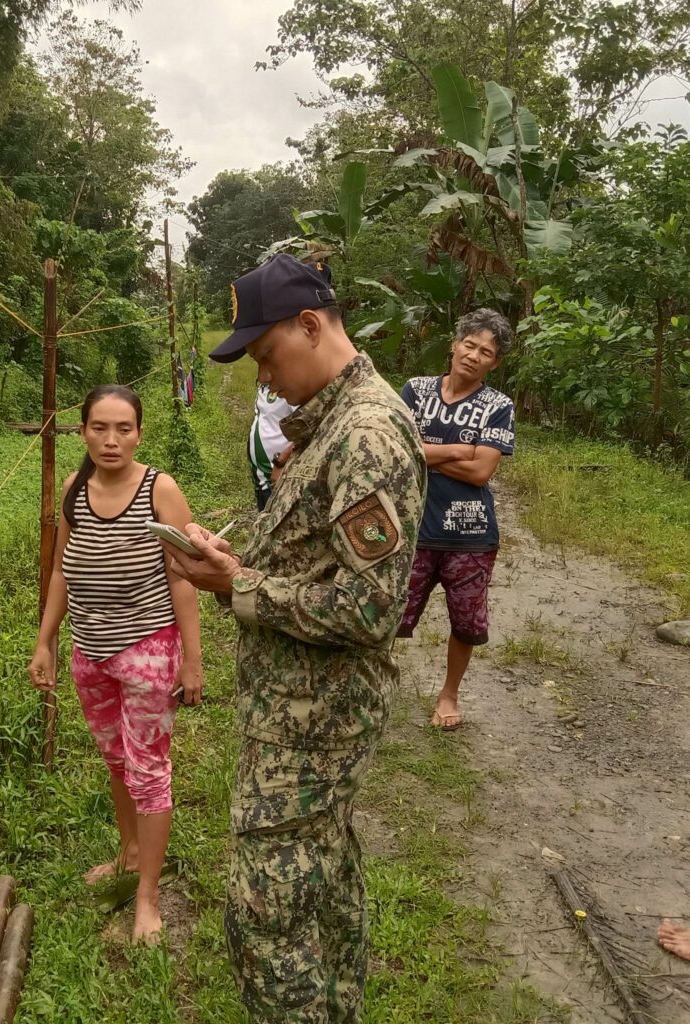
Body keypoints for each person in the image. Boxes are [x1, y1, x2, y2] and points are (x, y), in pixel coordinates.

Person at [160, 254, 425, 1023]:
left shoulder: (366, 434)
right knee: (325, 877)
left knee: (266, 911)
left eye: (267, 357)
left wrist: (235, 588)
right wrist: (237, 564)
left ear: (311, 325)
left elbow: (371, 609)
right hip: (302, 711)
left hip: (316, 720)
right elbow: (318, 563)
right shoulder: (329, 426)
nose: (265, 382)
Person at [28, 384, 203, 943]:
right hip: (91, 653)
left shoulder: (161, 490)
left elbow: (185, 578)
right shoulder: (75, 489)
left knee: (148, 771)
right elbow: (61, 571)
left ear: (139, 433)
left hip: (149, 652)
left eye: (123, 428)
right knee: (116, 762)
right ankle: (129, 853)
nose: (111, 439)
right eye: (99, 428)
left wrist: (192, 662)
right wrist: (45, 641)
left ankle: (148, 896)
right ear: (82, 432)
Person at [396, 310, 516, 730]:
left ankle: (449, 694)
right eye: (470, 344)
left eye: (486, 352)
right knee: (389, 613)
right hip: (411, 529)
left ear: (494, 363)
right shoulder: (415, 390)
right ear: (454, 344)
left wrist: (426, 451)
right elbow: (397, 449)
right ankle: (372, 682)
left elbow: (482, 471)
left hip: (470, 533)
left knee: (466, 622)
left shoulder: (498, 406)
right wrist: (460, 450)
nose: (474, 355)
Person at [249, 383, 296, 510]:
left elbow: (309, 427)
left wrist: (280, 462)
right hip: (261, 477)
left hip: (275, 474)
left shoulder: (289, 387)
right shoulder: (264, 386)